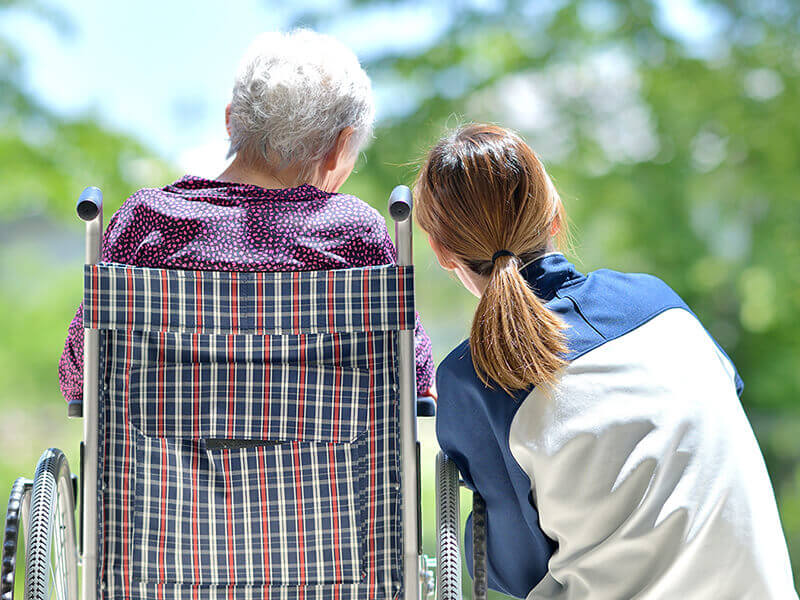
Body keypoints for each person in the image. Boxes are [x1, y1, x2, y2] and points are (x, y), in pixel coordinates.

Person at [414, 123, 796, 599]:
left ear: (442, 251)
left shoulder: (477, 378)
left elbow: (514, 572)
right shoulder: (661, 305)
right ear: (554, 213)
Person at [58, 29, 434, 409]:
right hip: (323, 467)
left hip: (161, 467)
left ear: (230, 121)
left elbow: (79, 376)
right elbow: (414, 376)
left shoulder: (146, 221)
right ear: (340, 147)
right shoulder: (354, 231)